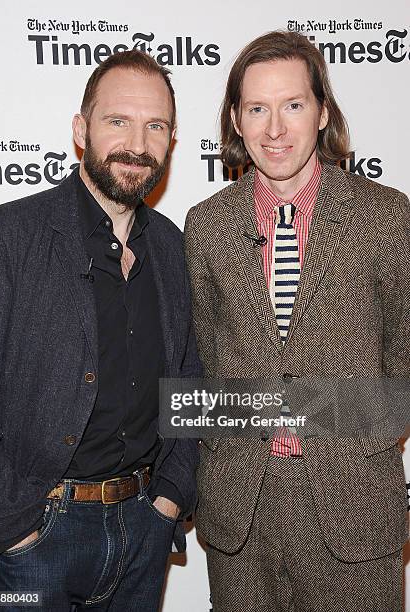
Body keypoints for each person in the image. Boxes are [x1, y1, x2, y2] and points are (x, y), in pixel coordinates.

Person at [185, 31, 409, 612]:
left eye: (292, 105)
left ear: (323, 111)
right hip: (241, 518)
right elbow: (204, 368)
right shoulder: (204, 227)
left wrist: (305, 415)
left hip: (353, 511)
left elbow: (403, 369)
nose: (275, 129)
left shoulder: (385, 217)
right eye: (257, 109)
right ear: (236, 119)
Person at [0, 50, 201, 611]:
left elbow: (192, 381)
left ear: (171, 141)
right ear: (81, 130)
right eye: (118, 121)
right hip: (31, 539)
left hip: (144, 529)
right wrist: (13, 529)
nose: (138, 142)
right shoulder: (6, 237)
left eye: (156, 126)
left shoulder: (174, 248)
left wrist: (170, 497)